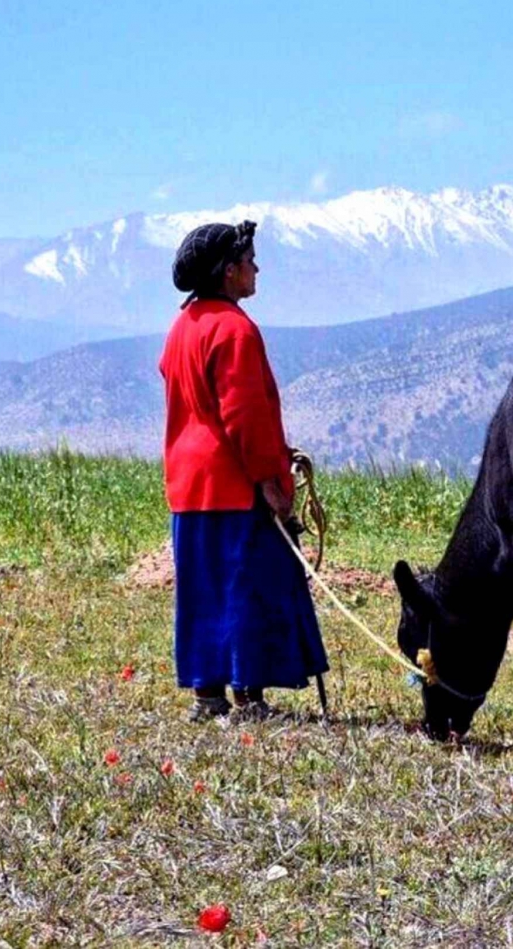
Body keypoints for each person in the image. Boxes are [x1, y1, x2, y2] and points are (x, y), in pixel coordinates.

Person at [159, 220, 329, 721]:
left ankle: (206, 696)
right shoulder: (234, 329)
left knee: (203, 591)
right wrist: (271, 482)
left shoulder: (181, 327)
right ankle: (249, 699)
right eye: (250, 261)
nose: (257, 269)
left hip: (189, 486)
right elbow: (245, 417)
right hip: (236, 486)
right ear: (229, 272)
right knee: (246, 589)